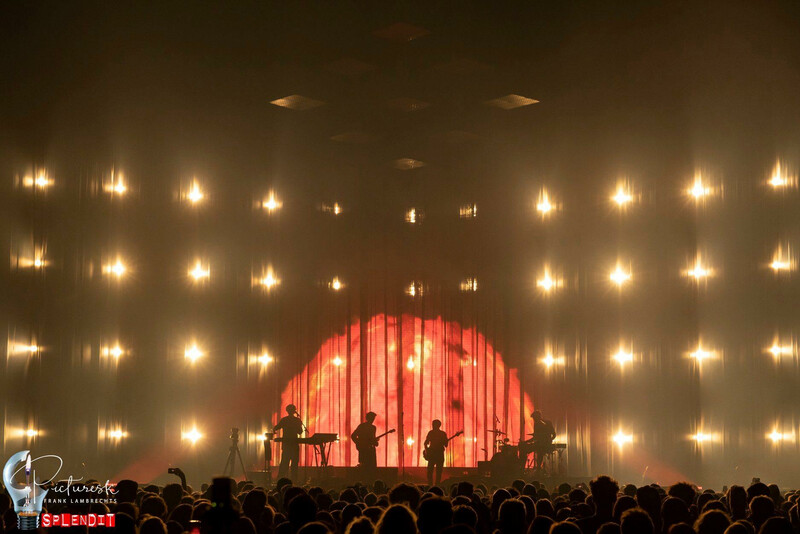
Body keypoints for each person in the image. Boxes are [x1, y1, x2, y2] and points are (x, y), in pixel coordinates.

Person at [274, 404, 304, 480]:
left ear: (287, 411)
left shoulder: (284, 420)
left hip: (287, 444)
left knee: (284, 462)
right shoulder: (297, 420)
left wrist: (274, 431)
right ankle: (294, 480)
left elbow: (276, 427)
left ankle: (281, 479)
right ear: (294, 411)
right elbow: (300, 432)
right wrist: (298, 424)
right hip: (294, 444)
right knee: (294, 464)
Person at [351, 412, 379, 480]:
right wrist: (359, 444)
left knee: (371, 470)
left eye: (373, 418)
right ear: (368, 418)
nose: (372, 420)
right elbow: (353, 436)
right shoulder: (362, 426)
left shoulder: (373, 428)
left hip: (371, 451)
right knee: (364, 470)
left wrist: (375, 442)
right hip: (364, 451)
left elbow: (372, 439)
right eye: (371, 418)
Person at [423, 420, 448, 487]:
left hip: (436, 454)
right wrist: (426, 451)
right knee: (435, 471)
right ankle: (435, 485)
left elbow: (445, 444)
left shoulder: (432, 433)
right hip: (436, 454)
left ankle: (433, 485)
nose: (433, 426)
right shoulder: (441, 433)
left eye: (434, 424)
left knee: (434, 471)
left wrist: (427, 451)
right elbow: (446, 445)